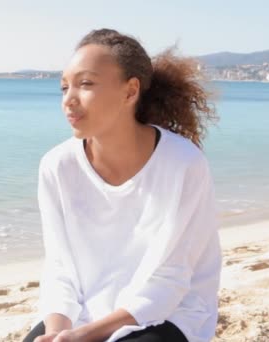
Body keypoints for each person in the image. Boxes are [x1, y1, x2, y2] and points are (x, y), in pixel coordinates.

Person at [23, 28, 221, 342]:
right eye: (64, 87)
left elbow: (170, 281)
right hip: (84, 312)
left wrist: (85, 336)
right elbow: (60, 269)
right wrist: (59, 332)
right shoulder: (57, 166)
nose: (69, 100)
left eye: (85, 84)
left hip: (168, 314)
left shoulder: (183, 164)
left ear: (130, 92)